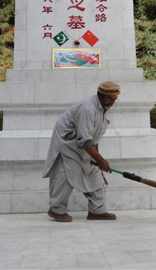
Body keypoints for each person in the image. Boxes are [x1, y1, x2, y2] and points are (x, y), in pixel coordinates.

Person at [42, 81, 120, 222]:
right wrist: (101, 160)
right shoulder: (87, 109)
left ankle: (97, 211)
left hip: (83, 148)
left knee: (94, 175)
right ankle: (56, 210)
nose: (112, 102)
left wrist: (97, 159)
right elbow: (84, 140)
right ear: (101, 95)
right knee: (66, 176)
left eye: (115, 99)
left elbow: (93, 137)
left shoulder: (102, 108)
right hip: (67, 145)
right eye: (110, 98)